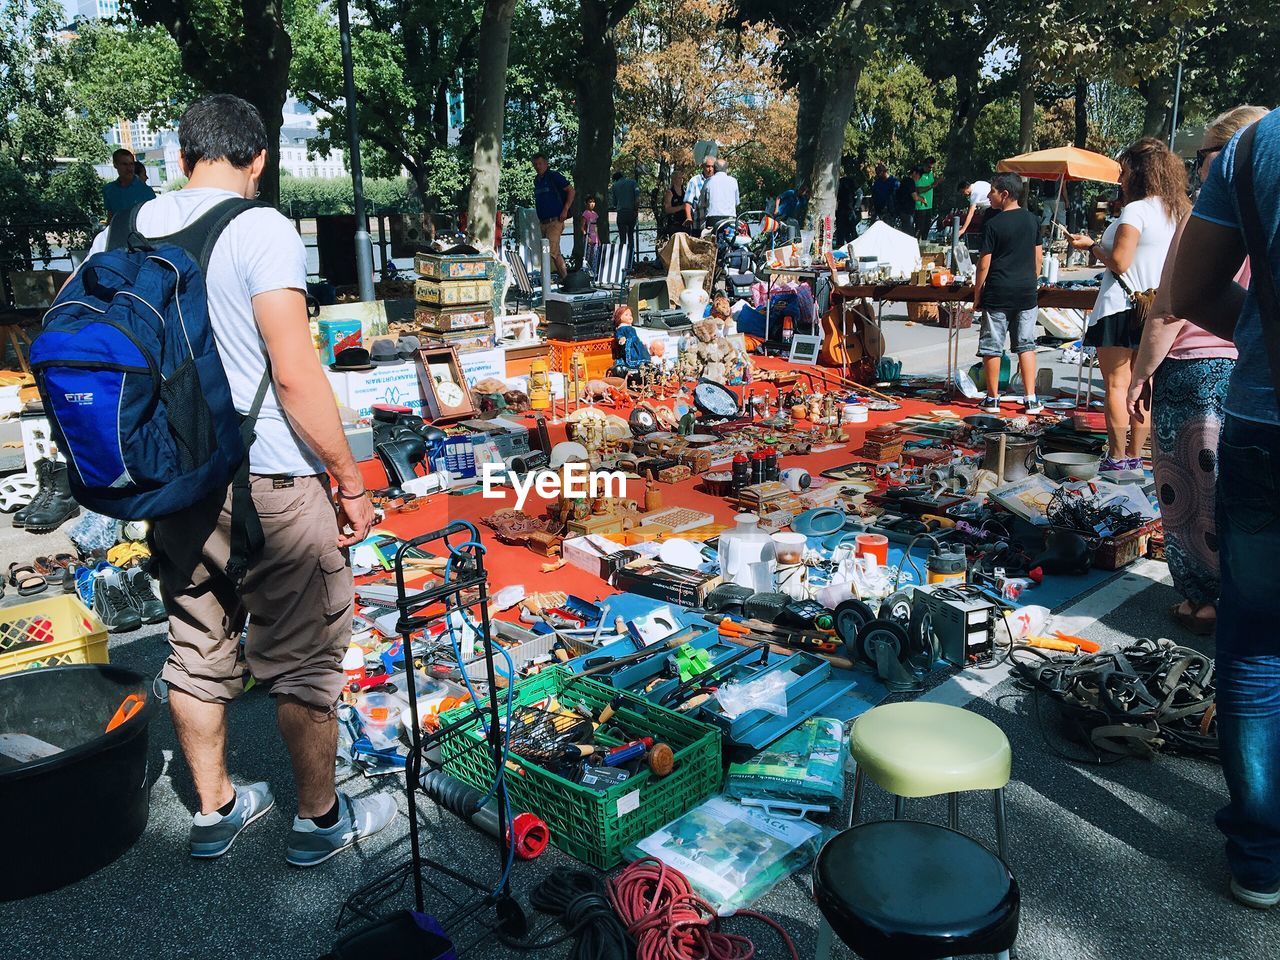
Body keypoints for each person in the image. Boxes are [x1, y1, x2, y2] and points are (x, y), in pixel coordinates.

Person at [82, 95, 392, 866]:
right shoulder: (259, 228)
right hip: (273, 480)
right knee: (304, 656)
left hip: (173, 480)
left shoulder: (116, 231)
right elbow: (294, 374)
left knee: (193, 646)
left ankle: (215, 811)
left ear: (182, 156)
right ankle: (318, 821)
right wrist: (349, 480)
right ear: (258, 159)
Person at [1171, 105, 1280, 912]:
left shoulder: (1258, 144)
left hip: (1267, 423)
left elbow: (1188, 288)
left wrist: (1259, 332)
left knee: (1256, 640)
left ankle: (1259, 859)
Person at [1127, 106, 1267, 637]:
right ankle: (1236, 593)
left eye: (1204, 155)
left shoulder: (1212, 210)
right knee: (1236, 490)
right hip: (1244, 364)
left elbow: (1170, 304)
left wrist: (1142, 373)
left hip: (1193, 367)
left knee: (1189, 489)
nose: (1198, 167)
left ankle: (1205, 600)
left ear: (1229, 156)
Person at [1069, 137, 1189, 472]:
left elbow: (1120, 262)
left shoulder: (1136, 210)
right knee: (1144, 385)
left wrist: (1092, 246)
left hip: (1121, 306)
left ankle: (1117, 456)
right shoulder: (1178, 210)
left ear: (1137, 173)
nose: (1121, 180)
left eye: (1123, 172)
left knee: (1117, 385)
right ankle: (1137, 455)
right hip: (1157, 307)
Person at [971, 171, 1044, 414]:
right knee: (1026, 344)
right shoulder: (1033, 220)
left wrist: (977, 292)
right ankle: (1031, 398)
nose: (989, 196)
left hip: (998, 291)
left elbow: (984, 263)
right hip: (1026, 293)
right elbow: (1038, 258)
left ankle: (992, 399)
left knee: (992, 346)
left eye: (992, 191)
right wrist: (1030, 280)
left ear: (1004, 194)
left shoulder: (993, 223)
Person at [532, 153, 574, 278]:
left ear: (546, 163)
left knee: (549, 251)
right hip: (543, 222)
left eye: (540, 163)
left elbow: (571, 190)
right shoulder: (537, 180)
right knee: (555, 252)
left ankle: (545, 280)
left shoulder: (554, 176)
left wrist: (565, 210)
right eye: (535, 164)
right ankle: (565, 279)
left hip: (555, 220)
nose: (538, 166)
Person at [102, 147, 156, 222]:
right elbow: (110, 218)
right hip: (119, 232)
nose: (129, 168)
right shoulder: (108, 190)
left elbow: (154, 218)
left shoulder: (146, 191)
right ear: (115, 165)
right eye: (124, 164)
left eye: (131, 164)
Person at [702, 159, 740, 231]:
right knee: (729, 239)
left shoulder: (708, 182)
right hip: (730, 218)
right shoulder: (733, 181)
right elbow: (737, 203)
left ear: (715, 168)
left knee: (712, 240)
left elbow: (702, 203)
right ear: (726, 169)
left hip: (713, 218)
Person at [683, 155, 717, 232]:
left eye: (712, 166)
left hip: (714, 224)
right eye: (708, 166)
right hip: (699, 224)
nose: (710, 169)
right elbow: (687, 202)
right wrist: (688, 217)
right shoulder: (694, 181)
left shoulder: (717, 181)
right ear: (703, 166)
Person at [610, 170, 640, 253]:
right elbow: (637, 199)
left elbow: (614, 203)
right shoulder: (633, 182)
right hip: (631, 212)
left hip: (621, 213)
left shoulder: (615, 186)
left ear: (615, 179)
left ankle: (623, 257)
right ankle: (632, 257)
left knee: (622, 238)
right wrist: (636, 210)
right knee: (631, 235)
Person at [913, 157, 940, 240]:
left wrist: (938, 181)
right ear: (924, 165)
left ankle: (924, 245)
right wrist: (931, 186)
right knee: (919, 228)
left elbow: (932, 183)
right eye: (929, 167)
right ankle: (916, 244)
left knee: (926, 228)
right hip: (920, 206)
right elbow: (918, 190)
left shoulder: (930, 173)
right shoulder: (919, 174)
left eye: (932, 167)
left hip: (929, 205)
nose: (930, 169)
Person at [661, 170, 688, 242]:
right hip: (674, 224)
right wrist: (681, 207)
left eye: (682, 178)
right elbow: (667, 209)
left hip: (684, 223)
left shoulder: (685, 192)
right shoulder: (670, 193)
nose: (681, 180)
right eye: (679, 178)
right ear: (674, 179)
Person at [896, 167, 920, 233]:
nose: (918, 178)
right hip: (907, 212)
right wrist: (922, 199)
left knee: (905, 230)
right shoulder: (910, 181)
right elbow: (915, 197)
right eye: (919, 175)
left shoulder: (904, 180)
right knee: (909, 232)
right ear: (914, 173)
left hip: (903, 210)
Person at [582, 195, 601, 270]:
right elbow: (582, 227)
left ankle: (594, 271)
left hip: (595, 238)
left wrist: (598, 239)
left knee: (595, 256)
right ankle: (586, 272)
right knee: (587, 256)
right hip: (588, 238)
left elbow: (596, 227)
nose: (592, 204)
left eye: (593, 202)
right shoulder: (585, 213)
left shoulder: (595, 214)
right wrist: (587, 237)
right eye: (590, 202)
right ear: (586, 203)